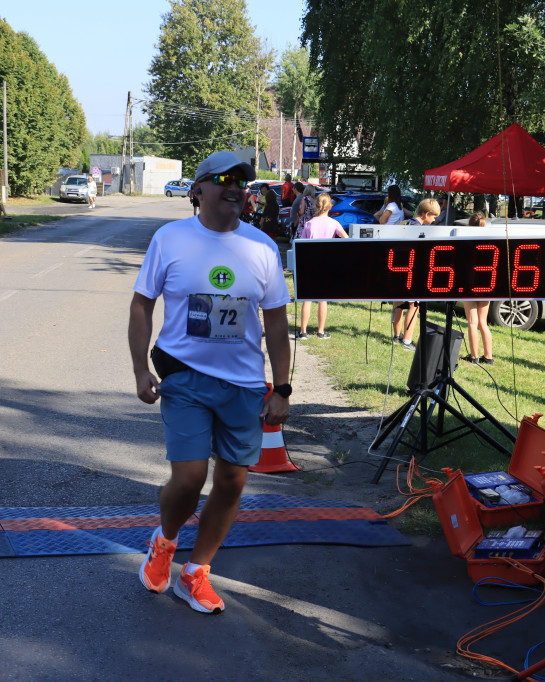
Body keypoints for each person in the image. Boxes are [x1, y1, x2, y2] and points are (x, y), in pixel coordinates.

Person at [130, 150, 291, 615]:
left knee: (233, 481)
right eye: (223, 179)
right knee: (189, 479)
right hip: (184, 374)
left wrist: (280, 388)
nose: (235, 187)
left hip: (243, 384)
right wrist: (141, 368)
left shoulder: (262, 247)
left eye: (241, 180)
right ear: (197, 190)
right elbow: (141, 305)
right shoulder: (170, 238)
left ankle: (196, 572)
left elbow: (277, 325)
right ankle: (165, 541)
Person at [296, 193, 349, 339]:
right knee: (322, 299)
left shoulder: (309, 223)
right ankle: (320, 331)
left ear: (316, 205)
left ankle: (303, 332)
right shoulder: (334, 223)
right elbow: (347, 239)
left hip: (310, 263)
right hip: (326, 264)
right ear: (330, 206)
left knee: (307, 298)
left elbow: (300, 245)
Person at [391, 198, 441, 349]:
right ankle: (407, 341)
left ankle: (397, 335)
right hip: (411, 274)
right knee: (414, 306)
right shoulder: (419, 230)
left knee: (399, 304)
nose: (434, 220)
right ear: (426, 214)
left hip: (398, 270)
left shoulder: (403, 223)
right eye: (433, 217)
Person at [461, 212, 494, 365]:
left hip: (470, 283)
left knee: (472, 321)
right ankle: (488, 357)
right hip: (487, 283)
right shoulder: (491, 241)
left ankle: (474, 357)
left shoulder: (467, 241)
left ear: (470, 225)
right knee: (483, 322)